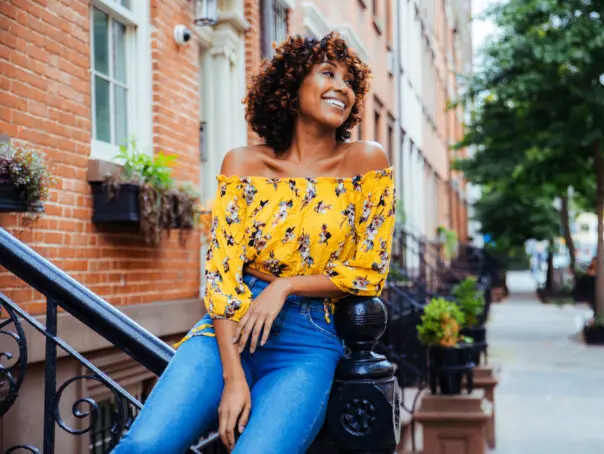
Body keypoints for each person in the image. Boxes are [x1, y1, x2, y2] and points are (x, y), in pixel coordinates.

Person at [111, 32, 396, 454]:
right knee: (145, 445)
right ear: (293, 84)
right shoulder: (243, 163)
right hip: (229, 329)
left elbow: (370, 270)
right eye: (327, 73)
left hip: (308, 339)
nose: (343, 88)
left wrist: (286, 286)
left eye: (350, 81)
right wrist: (233, 378)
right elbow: (221, 273)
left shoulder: (365, 161)